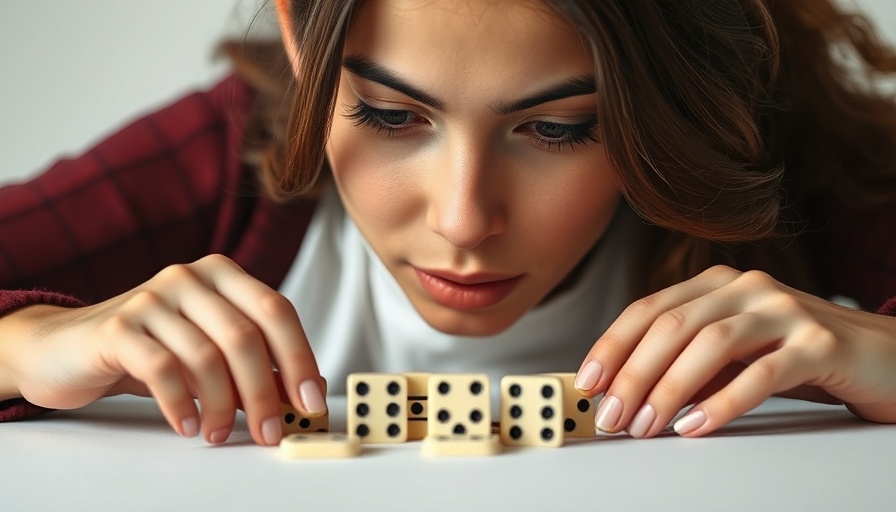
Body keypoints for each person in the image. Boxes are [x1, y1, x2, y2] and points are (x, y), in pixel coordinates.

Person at [2, 0, 896, 447]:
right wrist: (29, 344)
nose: (464, 221)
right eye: (392, 117)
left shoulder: (776, 152)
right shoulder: (224, 156)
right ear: (300, 41)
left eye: (558, 129)